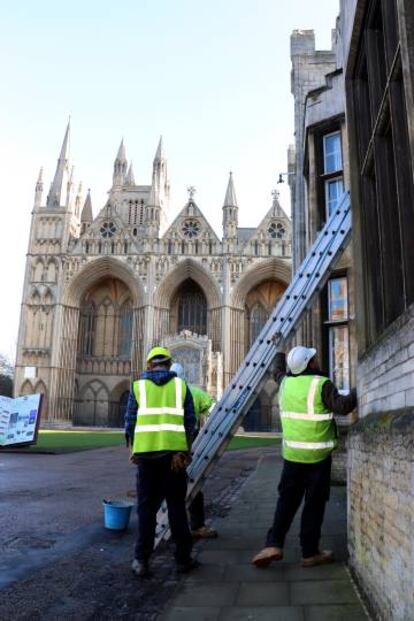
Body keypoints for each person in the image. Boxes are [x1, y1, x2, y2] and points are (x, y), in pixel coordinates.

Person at [252, 346, 357, 569]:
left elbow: (277, 371)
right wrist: (360, 387)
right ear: (310, 364)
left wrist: (277, 350)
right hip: (318, 458)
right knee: (314, 506)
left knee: (286, 502)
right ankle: (310, 553)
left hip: (292, 457)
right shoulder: (321, 384)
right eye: (314, 358)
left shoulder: (285, 384)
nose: (317, 360)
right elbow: (343, 407)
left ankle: (273, 544)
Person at [125, 346, 199, 577]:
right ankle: (183, 560)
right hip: (173, 459)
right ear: (168, 363)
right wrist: (184, 452)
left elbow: (130, 422)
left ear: (149, 365)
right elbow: (190, 422)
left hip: (146, 459)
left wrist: (134, 448)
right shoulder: (180, 386)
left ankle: (141, 560)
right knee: (177, 510)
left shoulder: (138, 387)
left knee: (146, 511)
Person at [170, 362, 218, 539]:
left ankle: (163, 526)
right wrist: (208, 430)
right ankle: (196, 526)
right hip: (189, 445)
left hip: (166, 446)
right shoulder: (194, 392)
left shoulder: (163, 394)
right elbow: (214, 409)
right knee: (192, 484)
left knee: (168, 487)